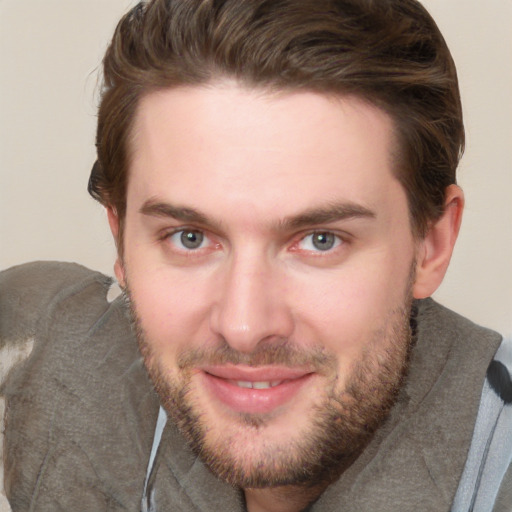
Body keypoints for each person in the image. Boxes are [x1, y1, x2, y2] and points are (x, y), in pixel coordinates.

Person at [0, 0, 510, 511]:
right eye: (189, 237)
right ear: (121, 240)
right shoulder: (43, 363)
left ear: (432, 244)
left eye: (320, 240)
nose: (244, 327)